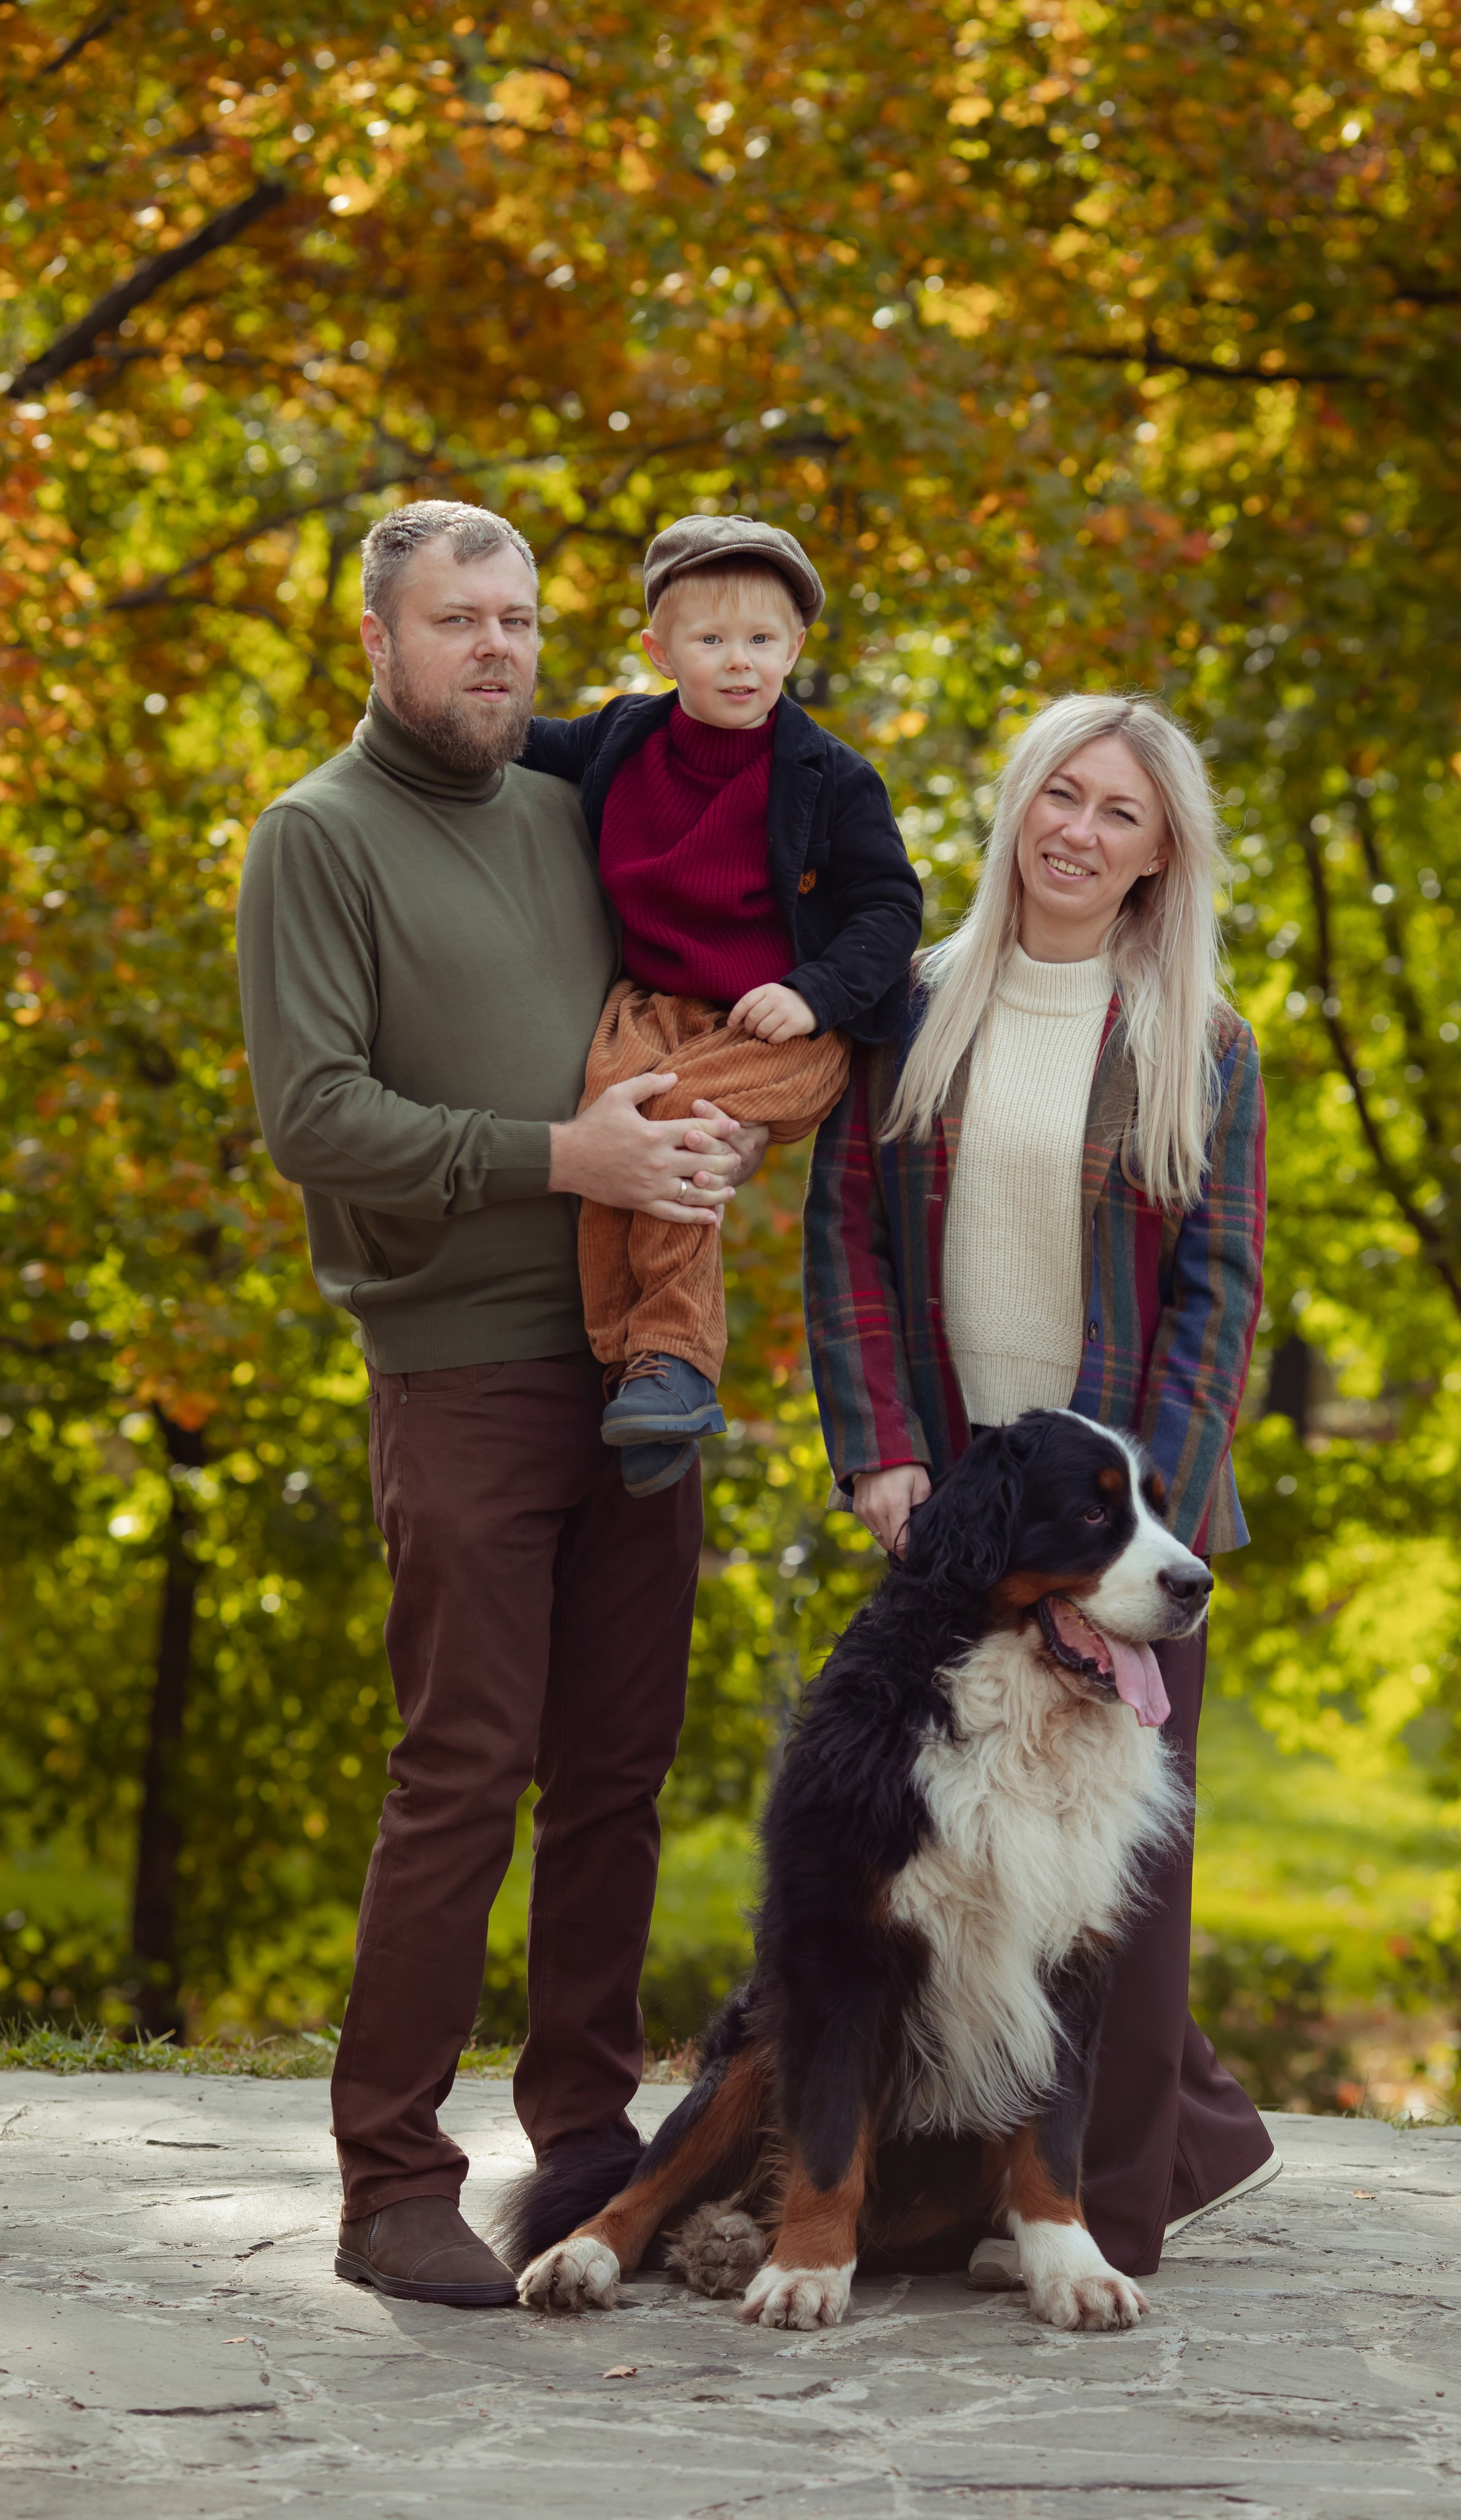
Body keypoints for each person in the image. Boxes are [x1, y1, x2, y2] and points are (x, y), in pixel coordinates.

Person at [236, 499, 770, 2308]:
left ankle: (586, 2148)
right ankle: (390, 2182)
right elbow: (313, 1117)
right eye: (457, 621)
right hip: (458, 1368)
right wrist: (565, 1153)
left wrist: (706, 1129)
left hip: (643, 1368)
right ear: (375, 644)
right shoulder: (317, 837)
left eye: (521, 621)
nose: (496, 650)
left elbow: (673, 1010)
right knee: (463, 1774)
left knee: (618, 1776)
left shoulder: (575, 808)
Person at [803, 690, 1279, 2282]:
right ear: (1017, 803)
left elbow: (1220, 1295)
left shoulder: (1198, 1045)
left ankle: (1108, 2218)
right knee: (946, 1853)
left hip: (1128, 1526)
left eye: (1119, 815)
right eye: (1058, 795)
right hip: (955, 1513)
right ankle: (985, 2178)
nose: (1077, 831)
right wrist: (877, 1448)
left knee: (1112, 1887)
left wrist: (1143, 1519)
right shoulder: (914, 1008)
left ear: (1157, 858)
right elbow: (848, 1249)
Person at [520, 514, 922, 1496]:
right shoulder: (625, 735)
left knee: (669, 1119)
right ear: (660, 651)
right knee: (609, 1120)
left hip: (782, 1024)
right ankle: (633, 1371)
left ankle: (678, 1354)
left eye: (762, 641)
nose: (739, 663)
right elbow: (521, 743)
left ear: (794, 646)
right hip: (656, 1007)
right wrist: (426, 718)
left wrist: (812, 989)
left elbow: (888, 905)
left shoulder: (829, 776)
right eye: (710, 641)